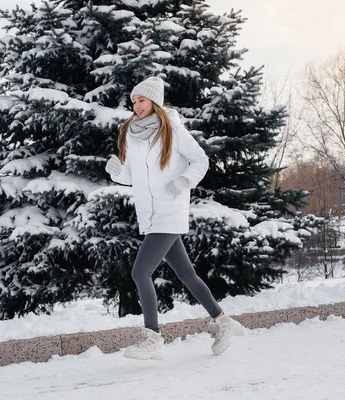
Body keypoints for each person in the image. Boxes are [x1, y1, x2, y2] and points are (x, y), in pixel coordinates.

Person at [104, 76, 242, 360]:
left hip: (170, 210)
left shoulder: (174, 131)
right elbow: (134, 177)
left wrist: (184, 181)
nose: (136, 105)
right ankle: (223, 321)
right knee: (187, 275)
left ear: (154, 101)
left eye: (141, 100)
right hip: (150, 214)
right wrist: (117, 172)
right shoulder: (132, 133)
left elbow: (201, 160)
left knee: (140, 272)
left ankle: (152, 337)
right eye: (134, 101)